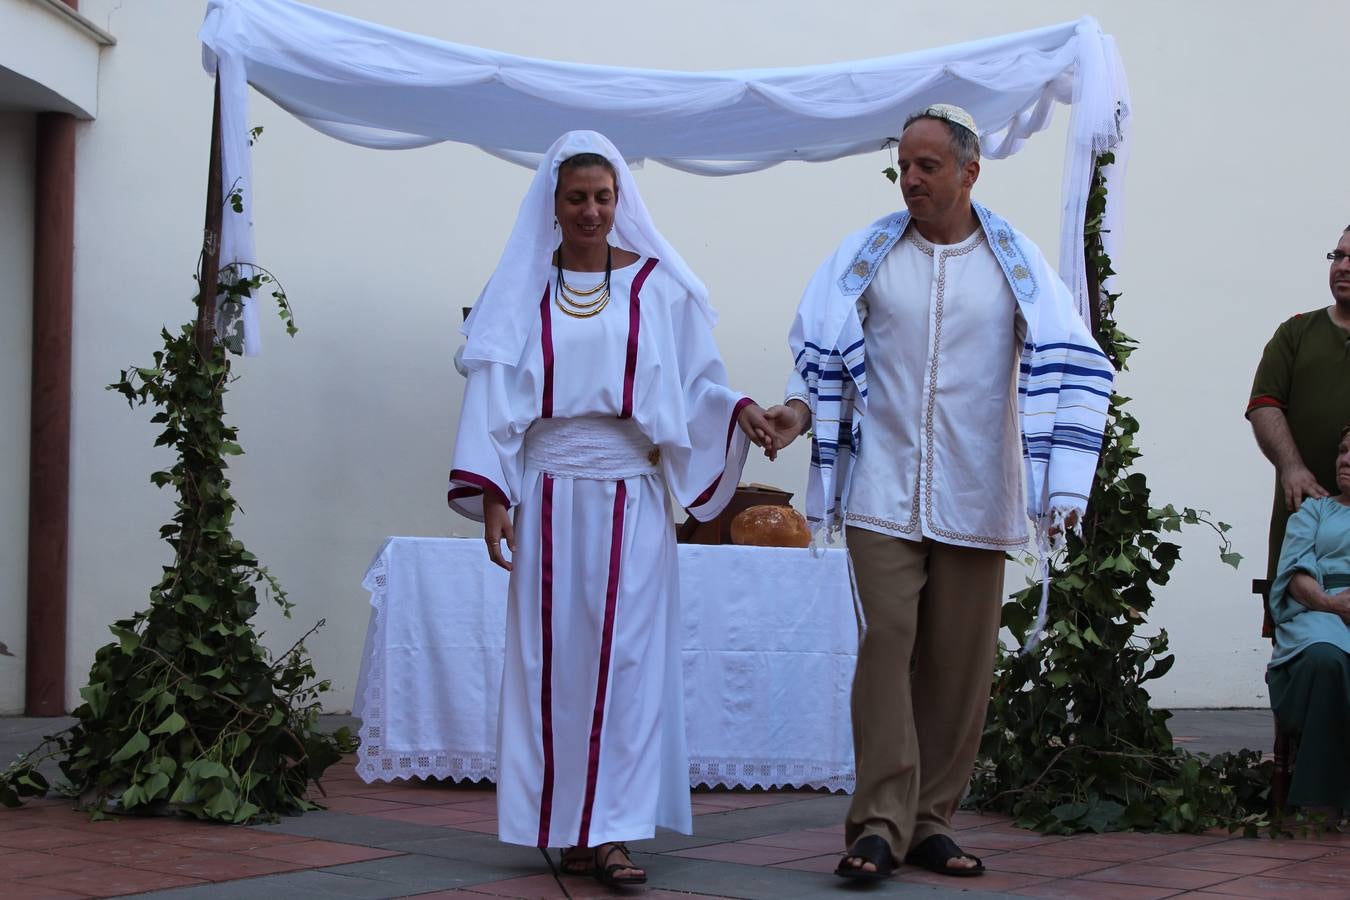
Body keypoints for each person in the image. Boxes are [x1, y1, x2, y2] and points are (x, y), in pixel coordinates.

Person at [761, 104, 1113, 881]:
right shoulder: (866, 256)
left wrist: (1060, 479)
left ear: (969, 172)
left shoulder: (1014, 262)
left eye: (927, 166)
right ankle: (880, 824)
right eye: (903, 167)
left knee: (959, 663)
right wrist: (793, 415)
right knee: (888, 644)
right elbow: (820, 355)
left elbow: (1079, 358)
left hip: (978, 486)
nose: (911, 180)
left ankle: (931, 822)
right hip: (882, 483)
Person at [447, 131, 771, 886]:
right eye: (575, 199)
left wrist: (741, 410)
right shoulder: (523, 292)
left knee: (628, 662)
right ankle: (567, 825)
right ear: (553, 208)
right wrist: (496, 492)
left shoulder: (659, 287)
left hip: (632, 493)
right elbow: (494, 394)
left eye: (601, 197)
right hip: (552, 488)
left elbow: (696, 386)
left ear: (619, 202)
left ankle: (617, 832)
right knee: (551, 663)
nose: (590, 211)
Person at [1248, 226, 1350, 581]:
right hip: (1303, 515)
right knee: (1304, 623)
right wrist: (1291, 467)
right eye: (1338, 255)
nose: (1343, 266)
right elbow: (1264, 404)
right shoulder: (1296, 332)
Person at [1266, 424, 1350, 814]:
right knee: (1324, 658)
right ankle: (1323, 800)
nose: (1345, 460)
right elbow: (1295, 574)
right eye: (1343, 451)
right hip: (1317, 608)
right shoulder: (1314, 511)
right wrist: (1333, 605)